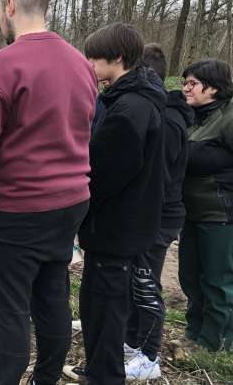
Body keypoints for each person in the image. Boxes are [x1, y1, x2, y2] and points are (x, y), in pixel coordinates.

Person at [0, 0, 97, 385]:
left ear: (9, 7)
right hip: (70, 202)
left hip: (16, 208)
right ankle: (47, 377)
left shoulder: (0, 67)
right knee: (52, 295)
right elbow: (86, 129)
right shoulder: (79, 62)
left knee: (7, 310)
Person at [79, 23, 166, 384]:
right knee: (98, 302)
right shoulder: (132, 98)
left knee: (105, 305)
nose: (90, 65)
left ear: (117, 59)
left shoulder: (130, 109)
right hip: (121, 225)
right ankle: (99, 368)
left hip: (116, 226)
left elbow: (103, 173)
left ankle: (105, 375)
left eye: (94, 59)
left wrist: (79, 206)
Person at [124, 44, 192, 379]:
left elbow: (158, 179)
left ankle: (149, 357)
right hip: (145, 215)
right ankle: (133, 340)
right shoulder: (157, 113)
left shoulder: (167, 121)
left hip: (158, 217)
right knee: (135, 279)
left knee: (146, 283)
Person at [179, 58, 233, 352]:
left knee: (217, 278)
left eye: (192, 83)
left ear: (212, 88)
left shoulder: (228, 116)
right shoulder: (192, 116)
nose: (186, 88)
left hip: (220, 212)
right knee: (190, 275)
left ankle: (216, 341)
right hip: (191, 211)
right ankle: (194, 331)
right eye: (185, 82)